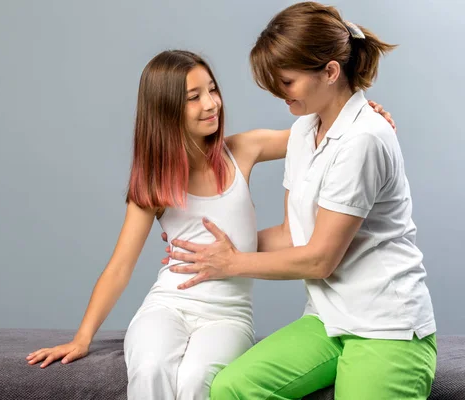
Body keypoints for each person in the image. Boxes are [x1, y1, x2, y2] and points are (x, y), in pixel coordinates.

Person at [26, 49, 394, 399]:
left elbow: (323, 132)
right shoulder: (155, 183)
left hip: (228, 316)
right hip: (167, 304)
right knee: (152, 367)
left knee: (197, 379)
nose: (210, 103)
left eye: (213, 90)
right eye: (193, 97)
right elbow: (120, 267)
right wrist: (82, 338)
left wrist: (363, 113)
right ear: (165, 109)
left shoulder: (243, 150)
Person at [165, 3, 436, 399]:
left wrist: (233, 263)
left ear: (329, 72)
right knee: (231, 388)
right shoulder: (305, 130)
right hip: (327, 322)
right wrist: (208, 251)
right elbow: (293, 235)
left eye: (286, 82)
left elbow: (319, 259)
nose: (279, 93)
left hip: (387, 328)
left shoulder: (364, 139)